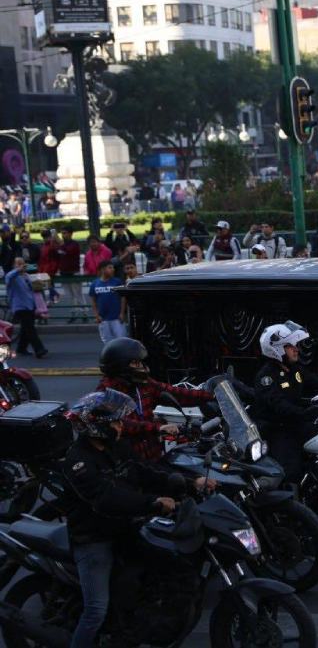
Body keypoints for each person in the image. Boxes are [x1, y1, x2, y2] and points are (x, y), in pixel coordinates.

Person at [63, 389, 214, 648]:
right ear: (97, 426)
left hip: (127, 528)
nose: (121, 426)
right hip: (94, 538)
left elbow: (144, 472)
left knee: (172, 569)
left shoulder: (117, 447)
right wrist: (152, 503)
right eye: (115, 421)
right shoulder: (78, 462)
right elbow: (106, 498)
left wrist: (191, 483)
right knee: (96, 610)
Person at [96, 337, 213, 462]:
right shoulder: (106, 393)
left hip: (153, 456)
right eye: (136, 363)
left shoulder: (143, 384)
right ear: (120, 366)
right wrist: (157, 428)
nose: (141, 366)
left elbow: (175, 393)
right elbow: (123, 424)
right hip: (129, 463)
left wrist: (211, 395)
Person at [254, 322, 318, 482]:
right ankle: (291, 500)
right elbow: (279, 405)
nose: (297, 349)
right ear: (276, 349)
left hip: (296, 424)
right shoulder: (266, 376)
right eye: (291, 346)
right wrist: (304, 412)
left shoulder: (294, 370)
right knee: (291, 471)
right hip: (278, 430)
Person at [6, 257, 46, 358]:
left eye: (23, 264)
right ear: (14, 266)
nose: (21, 266)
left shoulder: (27, 276)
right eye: (18, 264)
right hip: (20, 306)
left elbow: (35, 289)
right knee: (30, 329)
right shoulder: (12, 276)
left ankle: (21, 348)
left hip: (30, 305)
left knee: (26, 328)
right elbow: (9, 277)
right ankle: (39, 349)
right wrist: (18, 270)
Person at [90, 260, 126, 343]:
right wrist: (96, 315)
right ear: (103, 270)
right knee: (107, 342)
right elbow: (93, 301)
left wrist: (122, 313)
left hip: (117, 318)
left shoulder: (117, 282)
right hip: (103, 319)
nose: (113, 269)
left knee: (121, 341)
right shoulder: (95, 283)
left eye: (113, 268)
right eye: (110, 268)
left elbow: (123, 298)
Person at [57, 227, 87, 322]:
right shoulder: (61, 245)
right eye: (62, 233)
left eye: (65, 233)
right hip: (64, 272)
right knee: (70, 295)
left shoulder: (74, 244)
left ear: (70, 233)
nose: (63, 235)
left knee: (78, 294)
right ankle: (73, 313)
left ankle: (84, 314)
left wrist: (61, 245)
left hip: (74, 272)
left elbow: (69, 252)